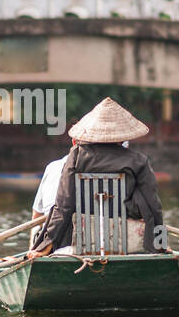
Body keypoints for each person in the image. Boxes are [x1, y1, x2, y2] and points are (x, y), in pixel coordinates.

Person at [28, 98, 164, 258]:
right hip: (122, 237)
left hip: (78, 236)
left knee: (56, 209)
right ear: (122, 137)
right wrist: (161, 244)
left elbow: (64, 204)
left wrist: (45, 245)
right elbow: (153, 207)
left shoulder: (76, 156)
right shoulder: (139, 160)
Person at [29, 135, 77, 246]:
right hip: (98, 244)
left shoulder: (53, 167)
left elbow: (36, 218)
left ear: (74, 142)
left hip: (53, 243)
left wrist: (33, 248)